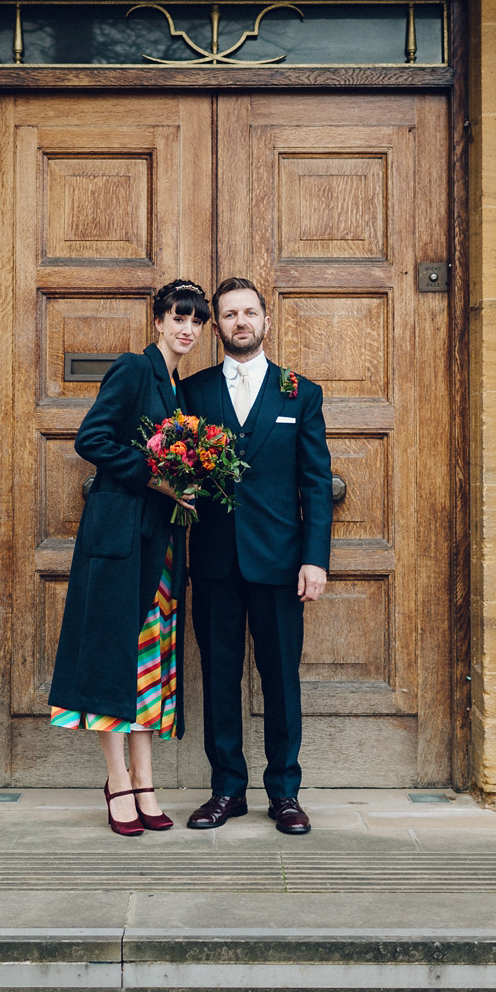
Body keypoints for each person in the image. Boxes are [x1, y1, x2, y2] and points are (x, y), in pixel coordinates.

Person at [47, 279, 210, 836]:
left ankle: (145, 779)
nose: (187, 329)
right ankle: (117, 781)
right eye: (178, 318)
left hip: (159, 546)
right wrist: (158, 478)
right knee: (114, 656)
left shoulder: (176, 386)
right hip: (117, 542)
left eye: (196, 321)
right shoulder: (133, 369)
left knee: (150, 662)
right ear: (158, 321)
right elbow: (91, 438)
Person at [183, 278, 332, 835]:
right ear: (216, 326)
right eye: (228, 314)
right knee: (219, 678)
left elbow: (315, 484)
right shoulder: (193, 393)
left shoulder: (300, 393)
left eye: (249, 312)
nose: (239, 322)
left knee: (280, 680)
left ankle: (285, 793)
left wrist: (314, 559)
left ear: (266, 321)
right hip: (216, 561)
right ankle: (226, 790)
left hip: (280, 564)